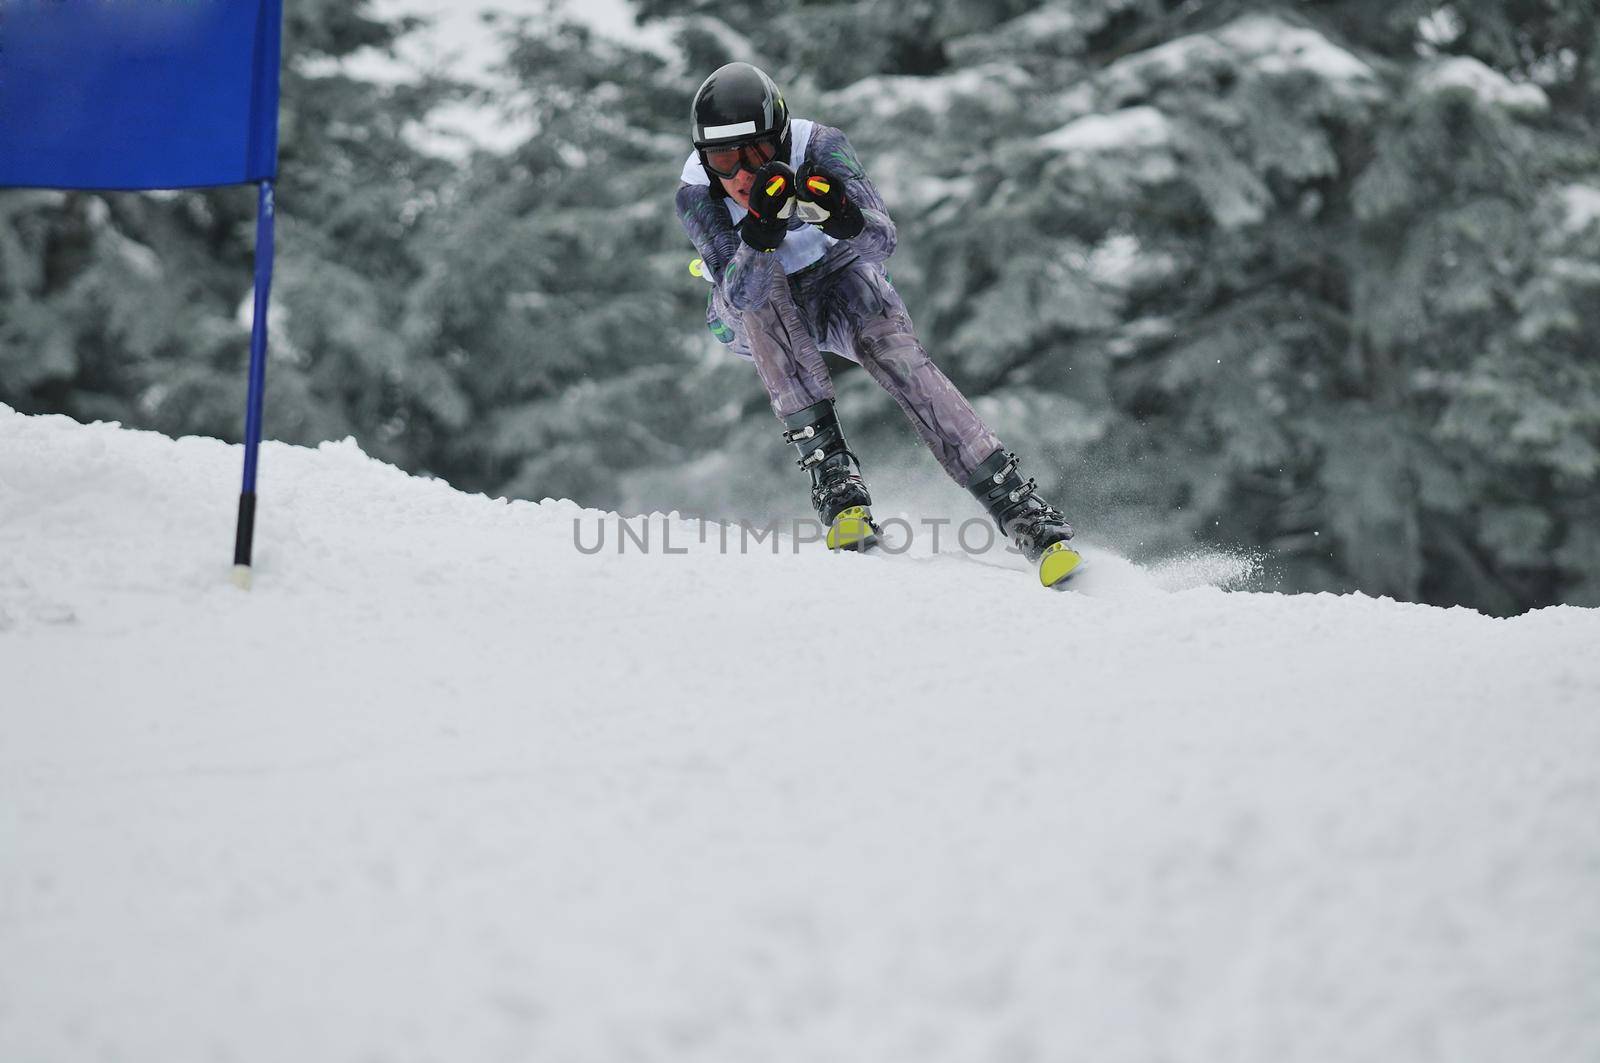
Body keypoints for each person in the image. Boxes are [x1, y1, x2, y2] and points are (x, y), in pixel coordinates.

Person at [674, 61, 1081, 587]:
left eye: (755, 153)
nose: (742, 172)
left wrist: (840, 213)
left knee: (896, 353)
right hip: (747, 305)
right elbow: (741, 291)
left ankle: (1021, 511)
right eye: (723, 158)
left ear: (781, 138)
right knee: (764, 293)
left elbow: (883, 242)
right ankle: (834, 480)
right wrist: (761, 230)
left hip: (836, 280)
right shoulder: (696, 192)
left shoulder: (821, 147)